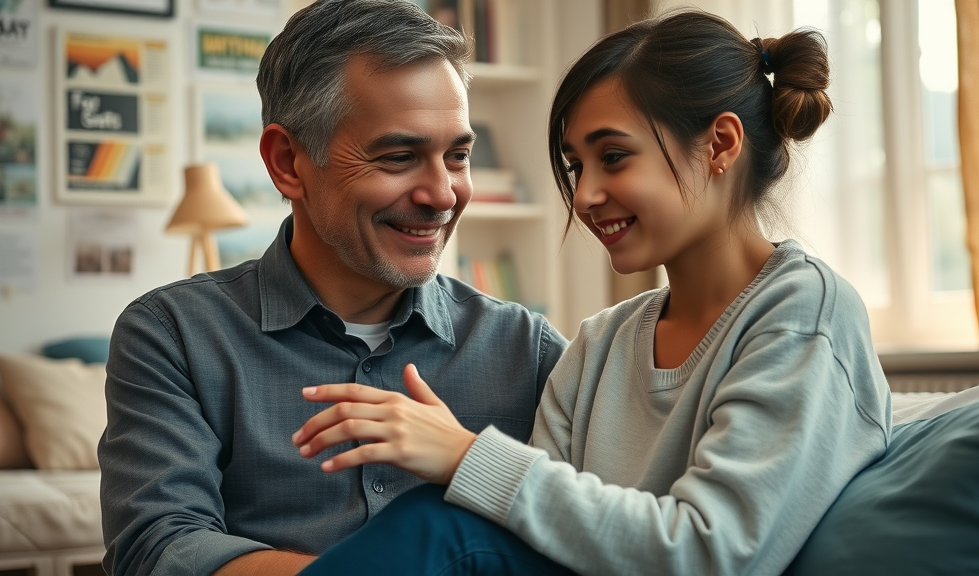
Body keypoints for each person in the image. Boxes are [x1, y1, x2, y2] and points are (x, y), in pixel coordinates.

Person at [290, 8, 892, 576]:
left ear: (721, 145)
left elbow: (712, 553)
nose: (583, 197)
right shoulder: (600, 345)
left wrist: (466, 456)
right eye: (577, 166)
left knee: (436, 525)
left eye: (614, 156)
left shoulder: (803, 313)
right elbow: (534, 539)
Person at [96, 2, 568, 575]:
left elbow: (605, 533)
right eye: (399, 157)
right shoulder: (173, 335)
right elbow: (158, 551)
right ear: (288, 162)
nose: (444, 194)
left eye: (458, 156)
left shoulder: (530, 350)